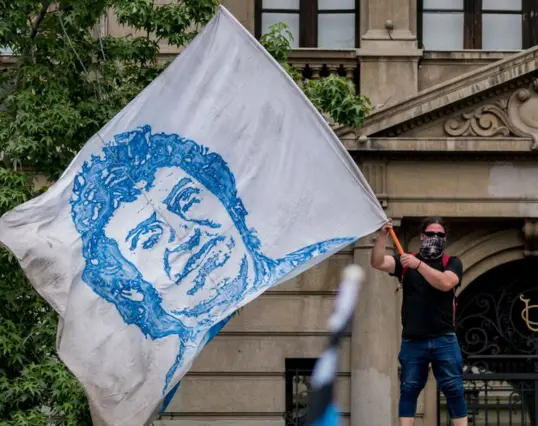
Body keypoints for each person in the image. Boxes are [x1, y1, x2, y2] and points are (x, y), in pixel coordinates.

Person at [70, 125, 353, 393]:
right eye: (149, 237)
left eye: (188, 199)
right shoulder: (154, 389)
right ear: (129, 287)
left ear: (226, 196)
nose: (184, 233)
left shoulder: (319, 252)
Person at [370, 217, 468, 426]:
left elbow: (444, 283)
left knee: (454, 388)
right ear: (422, 236)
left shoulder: (452, 262)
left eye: (440, 235)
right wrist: (382, 235)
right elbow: (377, 262)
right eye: (431, 234)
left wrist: (419, 265)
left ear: (445, 238)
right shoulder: (405, 262)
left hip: (444, 339)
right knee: (409, 388)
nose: (435, 238)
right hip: (413, 340)